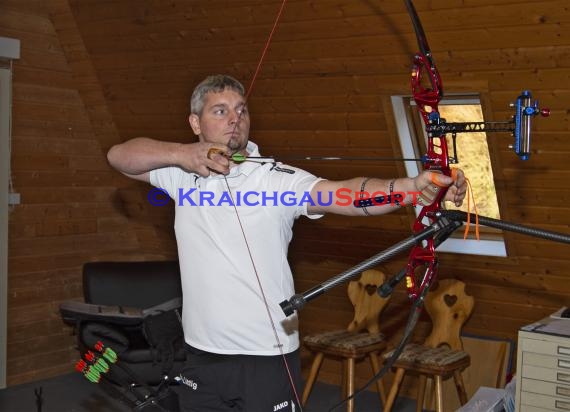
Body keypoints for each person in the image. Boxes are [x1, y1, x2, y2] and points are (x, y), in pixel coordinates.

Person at [107, 74, 466, 412]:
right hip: (202, 353)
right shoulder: (179, 173)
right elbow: (119, 156)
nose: (235, 119)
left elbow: (345, 196)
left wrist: (409, 189)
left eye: (241, 110)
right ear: (196, 124)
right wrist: (182, 154)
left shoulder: (276, 179)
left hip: (267, 354)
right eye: (221, 111)